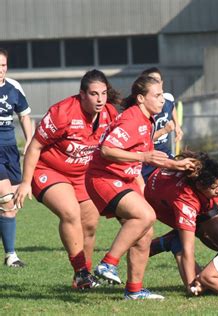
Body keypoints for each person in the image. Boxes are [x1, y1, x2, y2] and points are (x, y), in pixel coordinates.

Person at [86, 75, 194, 300]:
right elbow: (107, 149)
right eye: (156, 96)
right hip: (103, 177)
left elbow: (151, 158)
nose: (162, 100)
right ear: (141, 99)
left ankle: (134, 291)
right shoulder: (133, 119)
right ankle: (107, 264)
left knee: (145, 233)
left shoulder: (148, 120)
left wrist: (176, 164)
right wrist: (142, 155)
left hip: (123, 179)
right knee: (146, 216)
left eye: (162, 95)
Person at [13, 69, 118, 287]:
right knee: (71, 212)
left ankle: (83, 278)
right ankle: (81, 271)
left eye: (103, 93)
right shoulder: (63, 112)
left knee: (89, 224)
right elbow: (34, 146)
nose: (100, 99)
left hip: (83, 175)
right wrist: (25, 182)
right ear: (82, 94)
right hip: (49, 170)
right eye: (93, 94)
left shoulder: (110, 114)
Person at [144, 151, 218, 295]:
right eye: (215, 187)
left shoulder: (211, 181)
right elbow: (189, 249)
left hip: (197, 198)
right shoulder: (185, 202)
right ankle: (172, 242)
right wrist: (191, 285)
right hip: (162, 204)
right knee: (197, 283)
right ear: (200, 186)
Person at [0, 48, 32, 268]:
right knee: (6, 200)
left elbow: (25, 116)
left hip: (11, 150)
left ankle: (9, 253)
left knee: (13, 204)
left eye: (3, 65)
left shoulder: (14, 88)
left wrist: (30, 143)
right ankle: (11, 255)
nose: (0, 70)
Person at [140, 67, 183, 182]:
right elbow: (143, 139)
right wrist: (164, 130)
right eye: (152, 80)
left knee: (179, 176)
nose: (156, 83)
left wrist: (177, 126)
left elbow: (172, 106)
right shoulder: (142, 109)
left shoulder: (167, 99)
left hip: (164, 150)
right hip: (147, 154)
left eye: (158, 80)